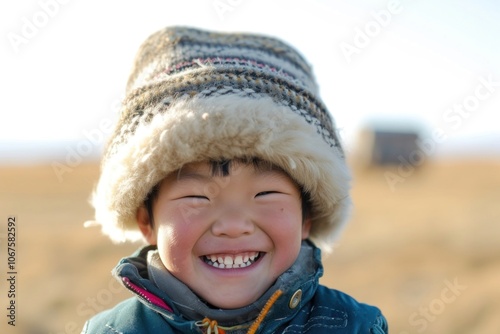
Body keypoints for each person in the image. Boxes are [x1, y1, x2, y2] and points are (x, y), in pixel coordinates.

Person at [82, 26, 388, 333]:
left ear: (307, 216)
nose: (232, 225)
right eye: (197, 198)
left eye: (266, 194)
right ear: (146, 221)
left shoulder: (354, 326)